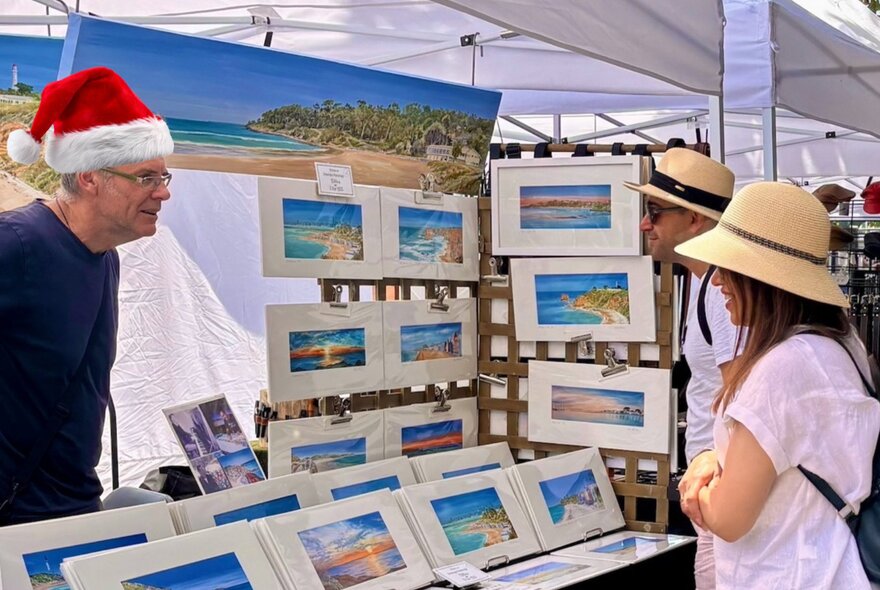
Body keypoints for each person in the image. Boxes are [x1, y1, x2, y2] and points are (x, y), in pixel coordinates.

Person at [676, 182, 880, 588]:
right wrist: (713, 461)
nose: (718, 284)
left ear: (761, 279)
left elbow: (729, 519)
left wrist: (695, 487)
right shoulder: (841, 344)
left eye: (729, 270)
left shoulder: (782, 368)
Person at [0, 67, 174, 525]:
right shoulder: (18, 244)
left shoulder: (105, 255)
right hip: (16, 521)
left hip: (73, 510)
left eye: (164, 175)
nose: (164, 192)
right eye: (147, 178)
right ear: (90, 176)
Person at [624, 148, 738, 589]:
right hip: (715, 492)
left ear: (694, 219)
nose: (644, 224)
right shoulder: (703, 280)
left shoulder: (723, 292)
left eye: (654, 211)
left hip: (723, 492)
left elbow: (743, 399)